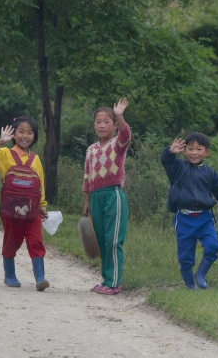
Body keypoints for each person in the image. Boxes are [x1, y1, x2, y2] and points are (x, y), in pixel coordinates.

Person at [0, 116, 50, 291]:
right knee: (11, 241)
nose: (25, 135)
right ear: (13, 134)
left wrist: (42, 206)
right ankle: (10, 275)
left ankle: (40, 278)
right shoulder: (4, 153)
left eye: (30, 132)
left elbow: (40, 184)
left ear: (34, 136)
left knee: (36, 240)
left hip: (32, 210)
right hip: (10, 210)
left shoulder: (35, 159)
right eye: (21, 131)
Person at [160, 133, 218, 290]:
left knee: (213, 245)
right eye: (190, 149)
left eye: (199, 149)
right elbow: (166, 161)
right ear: (184, 151)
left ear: (206, 152)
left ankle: (200, 274)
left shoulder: (210, 172)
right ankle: (190, 286)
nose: (194, 152)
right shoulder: (178, 167)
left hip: (205, 217)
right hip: (184, 219)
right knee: (186, 256)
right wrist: (169, 152)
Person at [82, 98, 131, 295]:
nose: (102, 125)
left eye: (107, 121)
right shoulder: (91, 150)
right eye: (98, 121)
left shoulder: (117, 145)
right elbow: (87, 177)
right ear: (94, 125)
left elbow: (125, 134)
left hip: (113, 195)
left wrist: (119, 115)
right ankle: (105, 280)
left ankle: (114, 283)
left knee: (113, 240)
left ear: (114, 125)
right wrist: (87, 201)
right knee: (101, 240)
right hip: (95, 198)